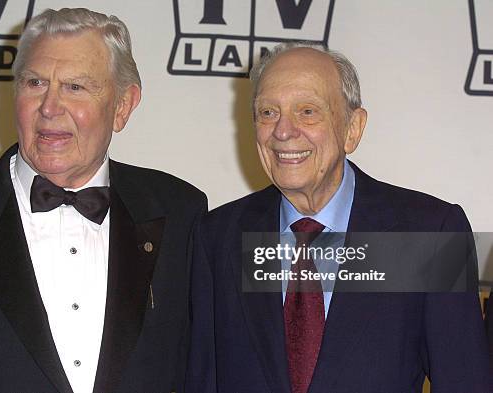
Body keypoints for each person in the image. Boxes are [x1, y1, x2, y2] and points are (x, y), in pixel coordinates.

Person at [0, 8, 206, 393]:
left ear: (122, 106)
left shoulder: (181, 212)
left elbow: (198, 371)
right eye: (35, 83)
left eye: (75, 87)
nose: (50, 107)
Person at [186, 42, 491, 392]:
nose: (283, 131)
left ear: (353, 129)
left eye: (307, 111)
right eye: (268, 112)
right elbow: (203, 381)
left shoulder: (428, 235)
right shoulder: (219, 237)